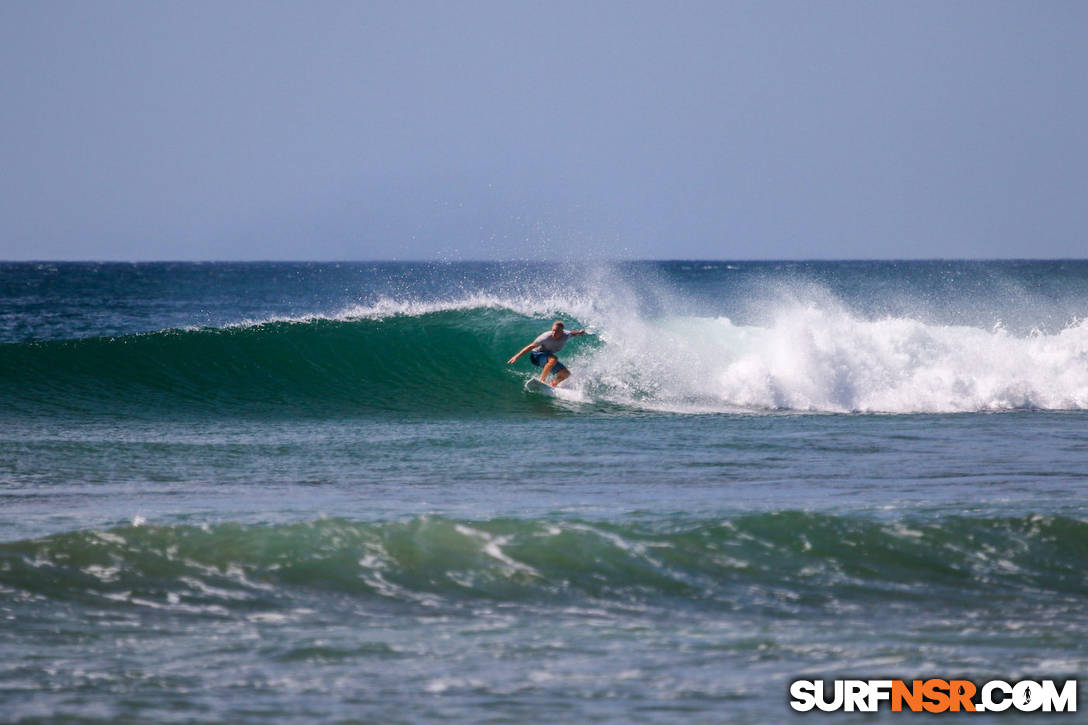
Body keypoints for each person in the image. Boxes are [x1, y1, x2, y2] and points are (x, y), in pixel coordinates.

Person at [507, 320, 587, 386]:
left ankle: (553, 384)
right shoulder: (545, 337)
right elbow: (530, 346)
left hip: (548, 357)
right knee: (553, 359)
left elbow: (572, 333)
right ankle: (542, 380)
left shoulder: (566, 335)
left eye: (557, 331)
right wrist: (516, 356)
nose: (554, 333)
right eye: (553, 330)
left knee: (566, 374)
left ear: (562, 332)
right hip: (536, 356)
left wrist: (579, 333)